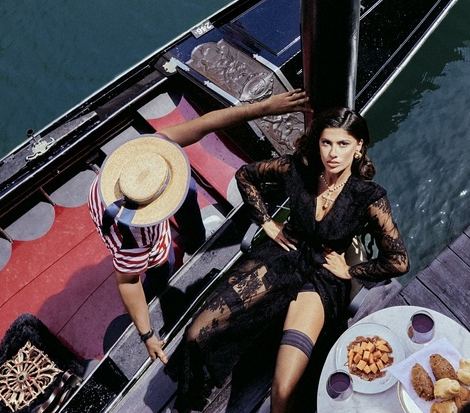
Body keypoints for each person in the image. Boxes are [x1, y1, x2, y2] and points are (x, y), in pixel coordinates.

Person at [166, 106, 409, 413]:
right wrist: (267, 222)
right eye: (327, 142)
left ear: (359, 149)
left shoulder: (368, 196)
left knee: (283, 389)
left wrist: (353, 270)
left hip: (322, 281)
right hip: (284, 254)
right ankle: (191, 390)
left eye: (343, 144)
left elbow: (398, 260)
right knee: (198, 332)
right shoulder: (297, 168)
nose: (333, 153)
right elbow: (245, 176)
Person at [88, 88, 310, 364]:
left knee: (189, 191)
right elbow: (127, 281)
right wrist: (147, 335)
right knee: (163, 265)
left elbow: (205, 124)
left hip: (136, 205)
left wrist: (265, 107)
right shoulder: (134, 238)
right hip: (138, 241)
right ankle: (158, 287)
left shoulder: (145, 158)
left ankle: (195, 241)